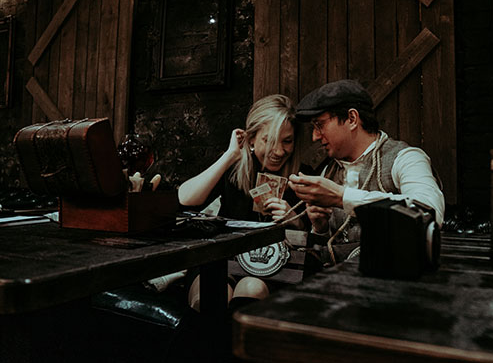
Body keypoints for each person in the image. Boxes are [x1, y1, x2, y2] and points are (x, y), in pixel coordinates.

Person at [288, 79, 444, 265]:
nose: (314, 136)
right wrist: (320, 228)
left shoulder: (406, 158)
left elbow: (429, 215)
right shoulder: (328, 172)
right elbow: (325, 251)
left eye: (319, 125)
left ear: (352, 119)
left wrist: (341, 197)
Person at [178, 94, 305, 311]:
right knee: (211, 292)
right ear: (251, 138)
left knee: (251, 287)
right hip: (223, 261)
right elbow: (185, 200)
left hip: (273, 272)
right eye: (269, 141)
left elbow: (316, 235)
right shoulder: (234, 170)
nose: (279, 151)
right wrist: (230, 155)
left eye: (287, 141)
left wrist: (295, 220)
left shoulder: (302, 178)